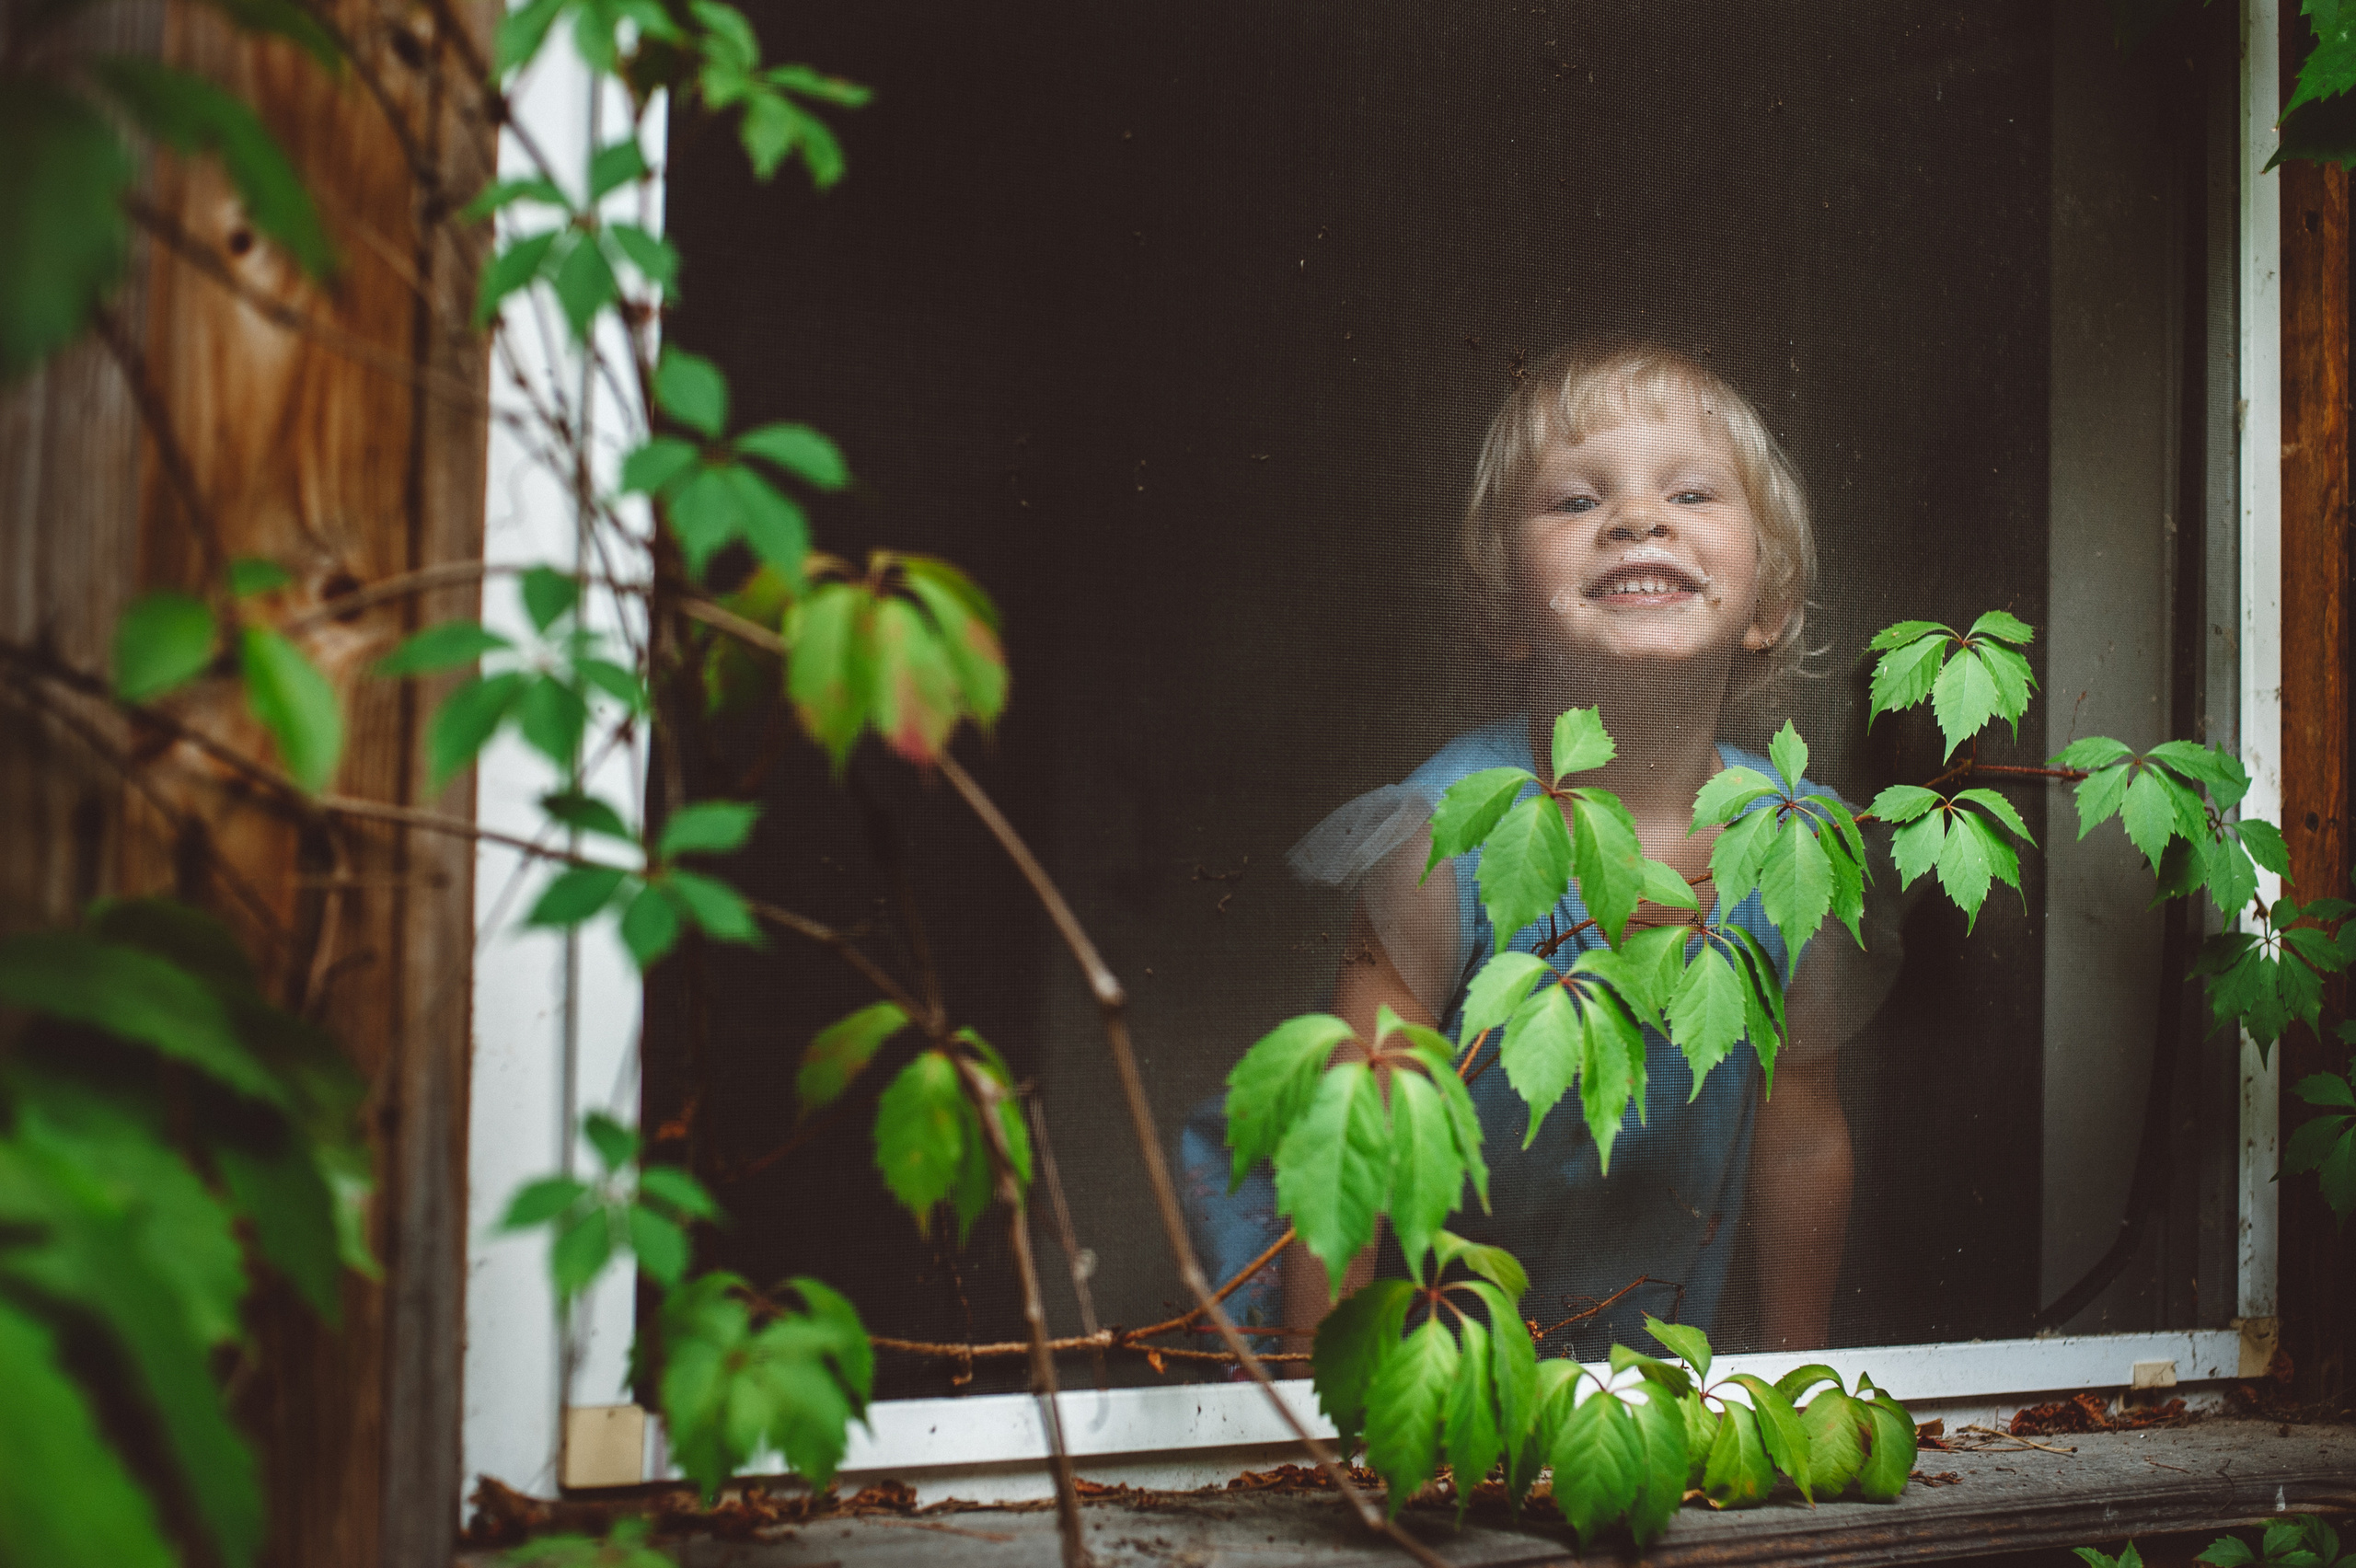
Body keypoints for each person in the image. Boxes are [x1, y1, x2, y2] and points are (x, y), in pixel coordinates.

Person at [1178, 340, 1900, 1360]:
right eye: (1573, 503)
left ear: (1769, 605)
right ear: (1502, 608)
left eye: (1692, 492)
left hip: (1622, 1367)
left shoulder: (1793, 847)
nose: (1638, 519)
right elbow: (1357, 1124)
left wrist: (1796, 1374)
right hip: (1398, 1353)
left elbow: (1800, 1137)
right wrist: (1317, 1401)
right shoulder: (1449, 832)